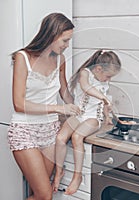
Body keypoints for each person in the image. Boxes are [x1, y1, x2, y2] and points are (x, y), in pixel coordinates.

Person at [7, 13, 80, 200]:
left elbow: (64, 92)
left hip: (49, 131)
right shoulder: (23, 57)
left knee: (38, 194)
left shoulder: (60, 60)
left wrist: (82, 105)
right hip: (24, 130)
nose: (67, 45)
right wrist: (58, 109)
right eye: (65, 40)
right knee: (45, 195)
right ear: (52, 34)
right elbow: (19, 103)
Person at [53, 50, 122, 195]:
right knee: (60, 139)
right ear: (98, 69)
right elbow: (86, 87)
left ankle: (77, 176)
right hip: (78, 114)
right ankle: (59, 171)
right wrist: (103, 97)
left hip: (93, 118)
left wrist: (107, 116)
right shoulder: (85, 73)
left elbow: (102, 105)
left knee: (77, 137)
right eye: (108, 75)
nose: (108, 79)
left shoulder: (104, 81)